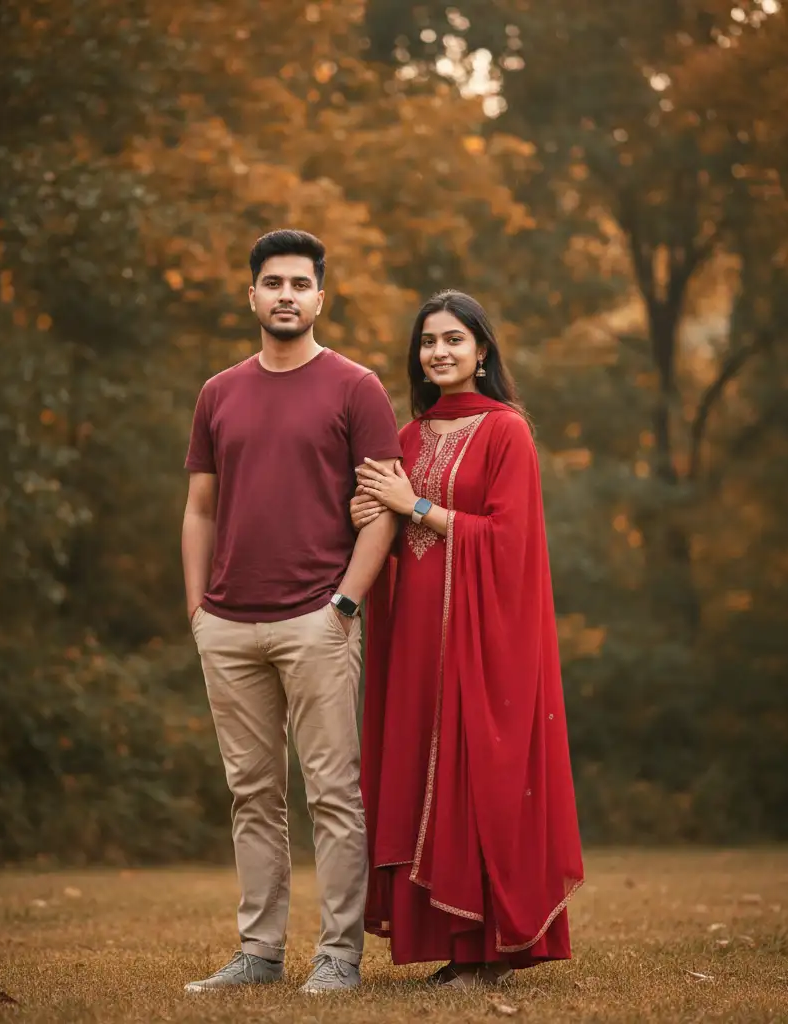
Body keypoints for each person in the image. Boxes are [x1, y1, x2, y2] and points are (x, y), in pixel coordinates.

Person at [180, 230, 403, 994]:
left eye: (299, 283)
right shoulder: (219, 391)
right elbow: (199, 509)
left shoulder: (356, 387)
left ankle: (338, 955)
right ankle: (259, 952)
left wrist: (345, 603)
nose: (285, 295)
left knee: (333, 792)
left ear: (319, 297)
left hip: (318, 618)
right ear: (252, 296)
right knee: (252, 794)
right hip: (228, 624)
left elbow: (383, 510)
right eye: (272, 283)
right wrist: (197, 611)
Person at [351, 290, 585, 988]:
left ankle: (487, 950)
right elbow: (386, 531)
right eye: (428, 342)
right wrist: (371, 512)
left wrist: (415, 505)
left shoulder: (507, 430)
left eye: (454, 339)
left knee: (475, 769)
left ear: (482, 351)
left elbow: (510, 540)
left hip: (481, 637)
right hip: (416, 639)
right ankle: (447, 941)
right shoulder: (407, 437)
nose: (439, 352)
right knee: (422, 770)